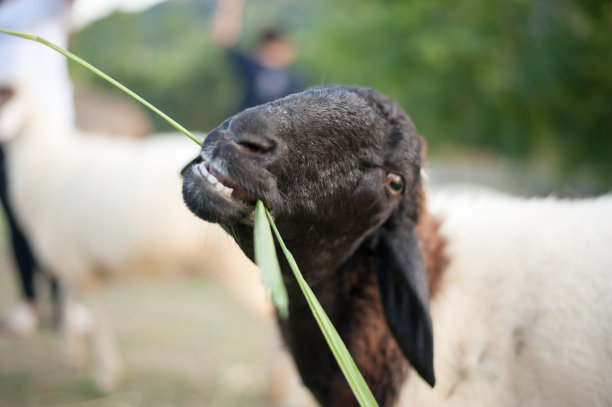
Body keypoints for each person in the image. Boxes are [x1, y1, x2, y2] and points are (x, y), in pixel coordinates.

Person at [0, 0, 74, 334]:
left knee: (57, 219)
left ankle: (64, 303)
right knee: (16, 218)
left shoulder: (42, 6)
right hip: (7, 136)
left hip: (51, 136)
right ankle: (29, 301)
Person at [212, 0, 301, 112]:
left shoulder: (293, 76)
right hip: (245, 125)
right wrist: (229, 8)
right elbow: (224, 41)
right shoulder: (250, 66)